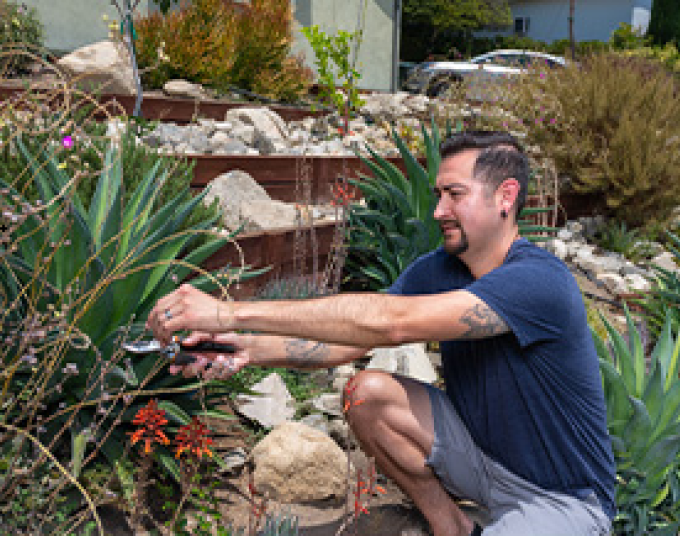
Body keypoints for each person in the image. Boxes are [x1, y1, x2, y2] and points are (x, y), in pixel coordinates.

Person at [147, 130, 616, 536]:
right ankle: (450, 525)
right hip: (483, 461)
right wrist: (244, 348)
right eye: (438, 194)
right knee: (366, 395)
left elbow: (388, 321)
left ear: (505, 196)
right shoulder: (440, 268)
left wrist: (230, 314)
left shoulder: (539, 281)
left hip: (562, 499)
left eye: (454, 194)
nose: (438, 211)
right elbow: (347, 341)